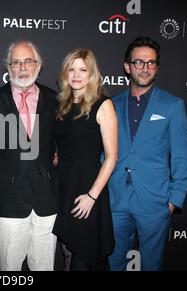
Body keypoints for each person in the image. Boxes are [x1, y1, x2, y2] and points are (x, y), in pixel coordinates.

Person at [108, 36, 187, 271]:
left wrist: (174, 200)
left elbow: (181, 156)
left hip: (155, 201)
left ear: (157, 68)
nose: (145, 68)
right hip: (116, 199)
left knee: (153, 265)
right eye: (139, 62)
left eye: (151, 63)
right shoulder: (111, 104)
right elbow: (104, 152)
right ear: (127, 66)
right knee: (114, 264)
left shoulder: (172, 105)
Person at [0, 40, 58, 271]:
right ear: (8, 67)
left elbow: (58, 144)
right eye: (16, 62)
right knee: (9, 269)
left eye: (28, 61)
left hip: (47, 203)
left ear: (39, 65)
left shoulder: (54, 100)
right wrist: (8, 182)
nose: (22, 68)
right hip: (9, 203)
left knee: (44, 267)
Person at [52, 48, 118, 270]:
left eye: (83, 70)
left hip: (88, 189)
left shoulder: (103, 104)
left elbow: (111, 157)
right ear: (65, 74)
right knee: (68, 254)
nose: (76, 75)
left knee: (84, 257)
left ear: (92, 74)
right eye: (72, 69)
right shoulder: (62, 105)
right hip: (64, 188)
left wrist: (92, 196)